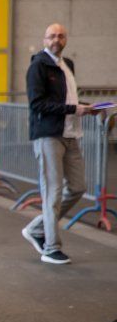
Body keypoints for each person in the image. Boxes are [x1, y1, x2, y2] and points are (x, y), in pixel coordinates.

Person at [21, 23, 95, 265]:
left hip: (71, 133)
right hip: (48, 135)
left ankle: (37, 228)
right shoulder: (38, 66)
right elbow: (37, 104)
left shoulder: (67, 65)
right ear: (44, 39)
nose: (57, 39)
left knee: (77, 187)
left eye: (61, 35)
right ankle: (51, 247)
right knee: (52, 192)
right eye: (52, 36)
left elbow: (67, 98)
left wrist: (85, 107)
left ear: (66, 39)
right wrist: (75, 108)